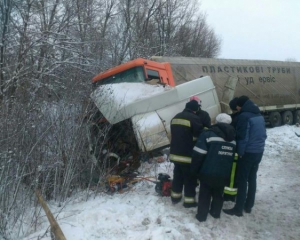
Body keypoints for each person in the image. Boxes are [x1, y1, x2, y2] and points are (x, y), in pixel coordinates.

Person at [223, 96, 267, 217]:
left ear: (240, 106)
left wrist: (240, 153)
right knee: (252, 178)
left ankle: (238, 208)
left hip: (247, 153)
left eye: (237, 106)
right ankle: (248, 206)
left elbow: (242, 137)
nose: (236, 107)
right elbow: (263, 134)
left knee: (242, 180)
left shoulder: (244, 116)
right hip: (259, 151)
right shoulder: (258, 115)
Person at [191, 113, 236, 222]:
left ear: (216, 122)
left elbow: (198, 154)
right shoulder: (233, 138)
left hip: (208, 171)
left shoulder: (208, 135)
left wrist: (194, 170)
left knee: (204, 194)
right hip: (224, 172)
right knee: (218, 193)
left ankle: (201, 216)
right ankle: (215, 213)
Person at [169, 100, 204, 208]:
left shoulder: (175, 117)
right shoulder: (194, 118)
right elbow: (199, 135)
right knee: (189, 179)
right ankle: (189, 201)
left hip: (175, 154)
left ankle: (175, 197)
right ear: (195, 110)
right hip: (187, 155)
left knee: (178, 177)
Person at [223, 97, 240, 202]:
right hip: (238, 150)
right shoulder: (240, 118)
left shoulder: (234, 119)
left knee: (231, 174)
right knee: (235, 174)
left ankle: (229, 195)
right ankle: (232, 194)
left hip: (233, 150)